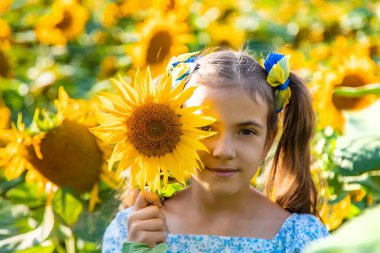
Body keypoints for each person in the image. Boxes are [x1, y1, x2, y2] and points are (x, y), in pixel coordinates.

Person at [102, 49, 329, 253]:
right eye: (205, 128)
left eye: (246, 131)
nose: (224, 150)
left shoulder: (300, 240)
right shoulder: (133, 231)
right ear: (175, 132)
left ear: (268, 141)